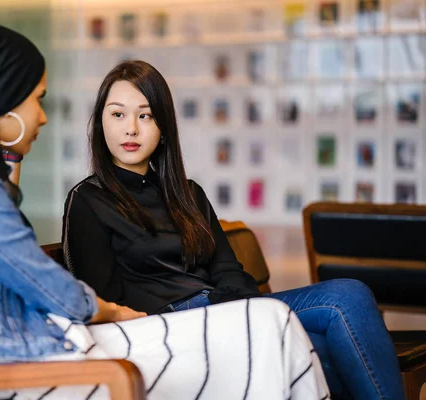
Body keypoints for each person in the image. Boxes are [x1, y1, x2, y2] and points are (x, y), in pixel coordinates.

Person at [0, 21, 328, 400]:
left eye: (145, 116)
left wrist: (9, 154)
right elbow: (52, 289)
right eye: (37, 99)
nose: (44, 117)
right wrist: (113, 312)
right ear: (3, 103)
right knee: (268, 326)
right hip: (2, 365)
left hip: (11, 351)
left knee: (269, 327)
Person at [63, 60, 405, 400]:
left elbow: (227, 269)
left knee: (350, 294)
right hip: (171, 328)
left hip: (227, 310)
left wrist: (231, 306)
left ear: (164, 126)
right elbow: (103, 300)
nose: (131, 129)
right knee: (318, 350)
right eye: (118, 114)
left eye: (146, 115)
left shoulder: (187, 192)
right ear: (100, 124)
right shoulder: (88, 201)